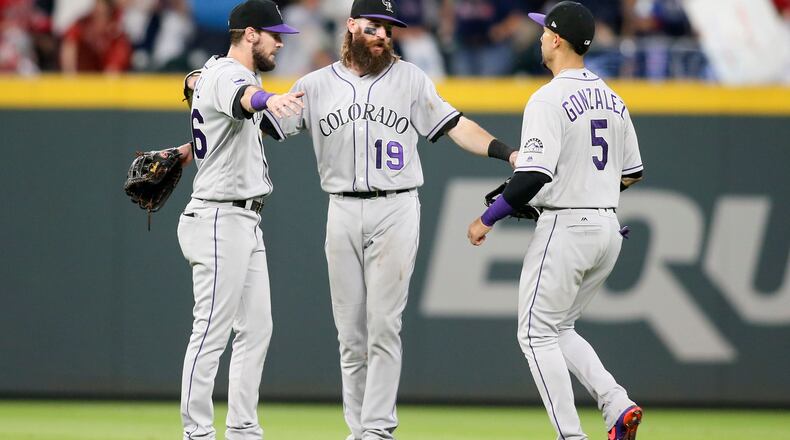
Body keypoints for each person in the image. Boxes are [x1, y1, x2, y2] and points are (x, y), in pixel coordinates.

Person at [259, 1, 518, 438]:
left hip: (395, 207)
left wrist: (507, 152)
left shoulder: (410, 79)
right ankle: (358, 428)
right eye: (374, 26)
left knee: (383, 325)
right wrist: (215, 96)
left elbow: (455, 126)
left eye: (389, 29)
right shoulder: (316, 84)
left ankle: (377, 430)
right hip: (340, 208)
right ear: (352, 25)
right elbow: (265, 125)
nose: (382, 35)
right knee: (350, 334)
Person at [467, 2, 644, 440]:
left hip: (569, 228)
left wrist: (488, 218)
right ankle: (617, 404)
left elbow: (534, 173)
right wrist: (589, 194)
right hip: (606, 229)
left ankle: (571, 435)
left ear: (557, 39)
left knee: (534, 333)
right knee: (558, 327)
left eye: (545, 31)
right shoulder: (613, 98)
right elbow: (632, 172)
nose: (541, 36)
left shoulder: (548, 96)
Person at [169, 1, 304, 439]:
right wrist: (270, 98)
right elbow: (246, 100)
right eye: (273, 34)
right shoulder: (230, 74)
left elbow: (270, 123)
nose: (280, 42)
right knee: (210, 331)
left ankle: (243, 429)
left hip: (242, 219)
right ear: (250, 34)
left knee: (257, 328)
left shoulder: (214, 73)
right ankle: (197, 432)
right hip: (217, 217)